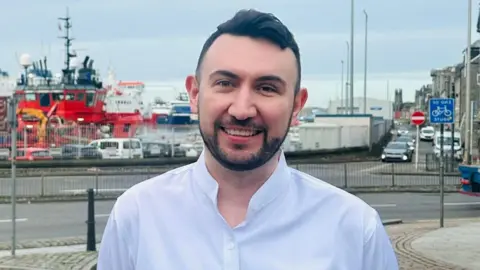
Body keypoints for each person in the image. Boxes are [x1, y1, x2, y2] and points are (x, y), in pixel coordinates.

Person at [97, 9, 399, 270]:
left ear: (296, 105)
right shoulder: (136, 217)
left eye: (267, 88)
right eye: (225, 83)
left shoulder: (356, 230)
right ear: (195, 93)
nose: (241, 110)